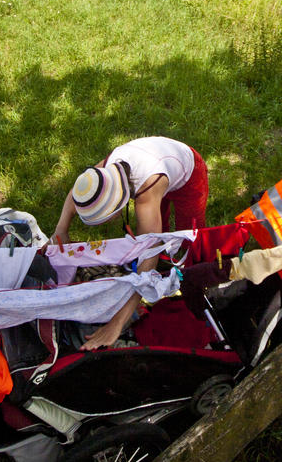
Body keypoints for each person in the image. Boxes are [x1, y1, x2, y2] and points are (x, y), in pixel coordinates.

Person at [52, 136, 209, 351]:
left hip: (189, 172)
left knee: (191, 236)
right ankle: (171, 261)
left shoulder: (146, 192)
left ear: (118, 206)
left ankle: (201, 276)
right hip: (159, 164)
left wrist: (117, 324)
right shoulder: (106, 172)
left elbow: (148, 260)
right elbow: (76, 192)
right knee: (156, 228)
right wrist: (61, 229)